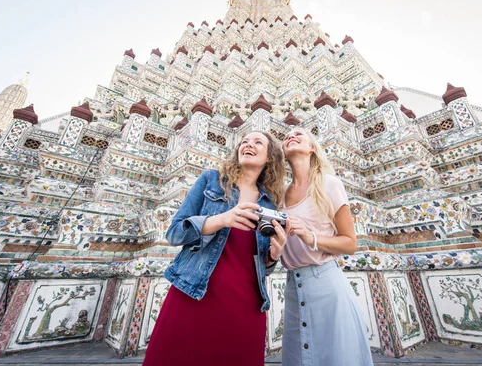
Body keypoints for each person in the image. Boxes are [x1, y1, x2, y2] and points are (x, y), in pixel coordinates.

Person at [143, 131, 289, 366]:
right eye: (244, 142)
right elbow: (175, 233)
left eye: (257, 142)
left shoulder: (269, 203)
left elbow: (264, 266)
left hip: (247, 303)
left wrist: (274, 256)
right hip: (196, 292)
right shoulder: (212, 180)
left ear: (270, 157)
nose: (247, 145)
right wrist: (222, 219)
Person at [280, 128, 373, 366]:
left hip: (327, 283)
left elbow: (350, 243)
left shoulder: (329, 184)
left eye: (299, 134)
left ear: (312, 147)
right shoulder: (279, 195)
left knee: (337, 357)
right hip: (292, 286)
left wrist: (312, 237)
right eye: (287, 136)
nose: (291, 136)